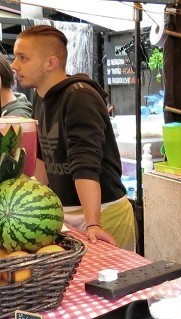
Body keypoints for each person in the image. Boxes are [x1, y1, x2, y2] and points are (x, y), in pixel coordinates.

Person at [11, 25, 136, 251]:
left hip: (102, 212)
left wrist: (93, 223)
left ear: (50, 63)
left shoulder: (79, 96)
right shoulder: (41, 97)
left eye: (23, 58)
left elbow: (85, 165)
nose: (14, 65)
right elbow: (43, 162)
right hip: (66, 213)